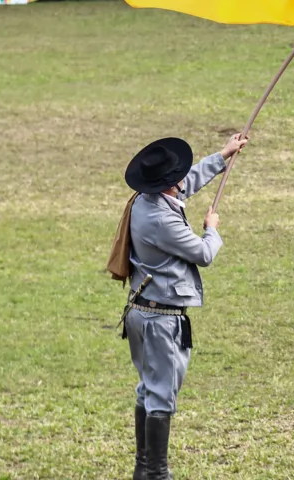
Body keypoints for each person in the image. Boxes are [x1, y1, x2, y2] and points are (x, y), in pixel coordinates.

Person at [121, 133, 248, 479]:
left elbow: (186, 184)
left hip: (142, 313)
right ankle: (157, 474)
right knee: (160, 397)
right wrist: (212, 230)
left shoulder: (147, 199)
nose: (181, 177)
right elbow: (203, 254)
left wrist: (223, 156)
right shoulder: (162, 220)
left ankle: (143, 471)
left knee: (148, 390)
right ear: (167, 182)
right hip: (160, 322)